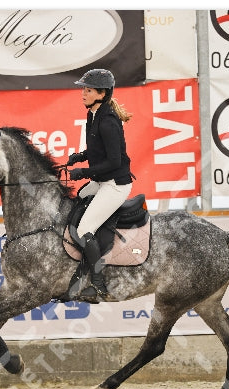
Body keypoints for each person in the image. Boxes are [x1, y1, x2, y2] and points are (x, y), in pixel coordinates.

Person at [66, 68, 134, 300]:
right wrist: (81, 156)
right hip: (103, 180)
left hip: (115, 184)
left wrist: (84, 171)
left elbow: (114, 161)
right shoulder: (93, 114)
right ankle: (86, 260)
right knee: (79, 199)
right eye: (84, 89)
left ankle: (98, 285)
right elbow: (99, 150)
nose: (83, 93)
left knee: (85, 229)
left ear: (102, 94)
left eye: (88, 90)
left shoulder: (108, 122)